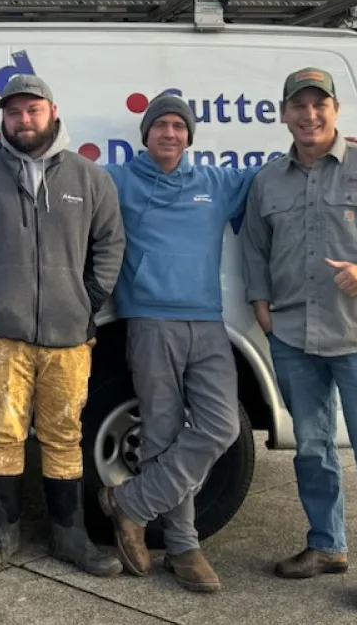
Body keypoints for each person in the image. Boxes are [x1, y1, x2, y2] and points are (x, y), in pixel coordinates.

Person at [242, 68, 357, 613]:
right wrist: (259, 304)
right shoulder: (268, 181)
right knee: (313, 449)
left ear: (335, 110)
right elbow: (254, 247)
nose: (309, 115)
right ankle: (326, 546)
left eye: (319, 105)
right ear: (283, 115)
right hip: (294, 335)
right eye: (298, 106)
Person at [0, 74, 126, 578]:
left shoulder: (91, 178)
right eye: (14, 112)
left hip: (69, 336)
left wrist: (88, 299)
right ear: (2, 119)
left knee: (64, 435)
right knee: (2, 433)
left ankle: (70, 536)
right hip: (3, 333)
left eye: (33, 110)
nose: (24, 120)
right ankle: (3, 532)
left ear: (53, 111)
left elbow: (110, 243)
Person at [93, 93, 255, 592]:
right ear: (145, 135)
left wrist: (347, 148)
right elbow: (59, 177)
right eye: (160, 125)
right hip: (148, 320)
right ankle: (184, 547)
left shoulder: (215, 183)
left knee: (221, 425)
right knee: (161, 432)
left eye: (179, 127)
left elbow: (285, 175)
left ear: (189, 136)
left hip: (207, 323)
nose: (170, 133)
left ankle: (132, 503)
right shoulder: (117, 179)